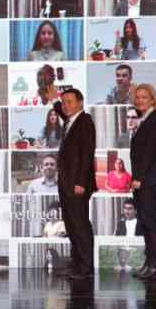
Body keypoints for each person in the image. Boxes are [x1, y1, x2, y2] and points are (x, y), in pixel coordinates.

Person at [49, 86, 97, 277]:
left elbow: (87, 154)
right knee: (71, 225)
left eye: (70, 102)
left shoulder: (85, 121)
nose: (66, 106)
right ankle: (77, 264)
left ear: (80, 103)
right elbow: (63, 111)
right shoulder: (71, 120)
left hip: (77, 184)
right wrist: (55, 101)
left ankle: (85, 268)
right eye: (64, 102)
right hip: (67, 183)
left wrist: (81, 182)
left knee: (80, 226)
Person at [127, 83, 156, 277]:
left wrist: (139, 178)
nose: (139, 100)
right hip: (145, 179)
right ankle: (149, 263)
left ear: (153, 100)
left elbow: (150, 152)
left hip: (149, 179)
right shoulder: (144, 118)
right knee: (146, 222)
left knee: (151, 222)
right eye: (137, 97)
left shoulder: (155, 120)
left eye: (144, 97)